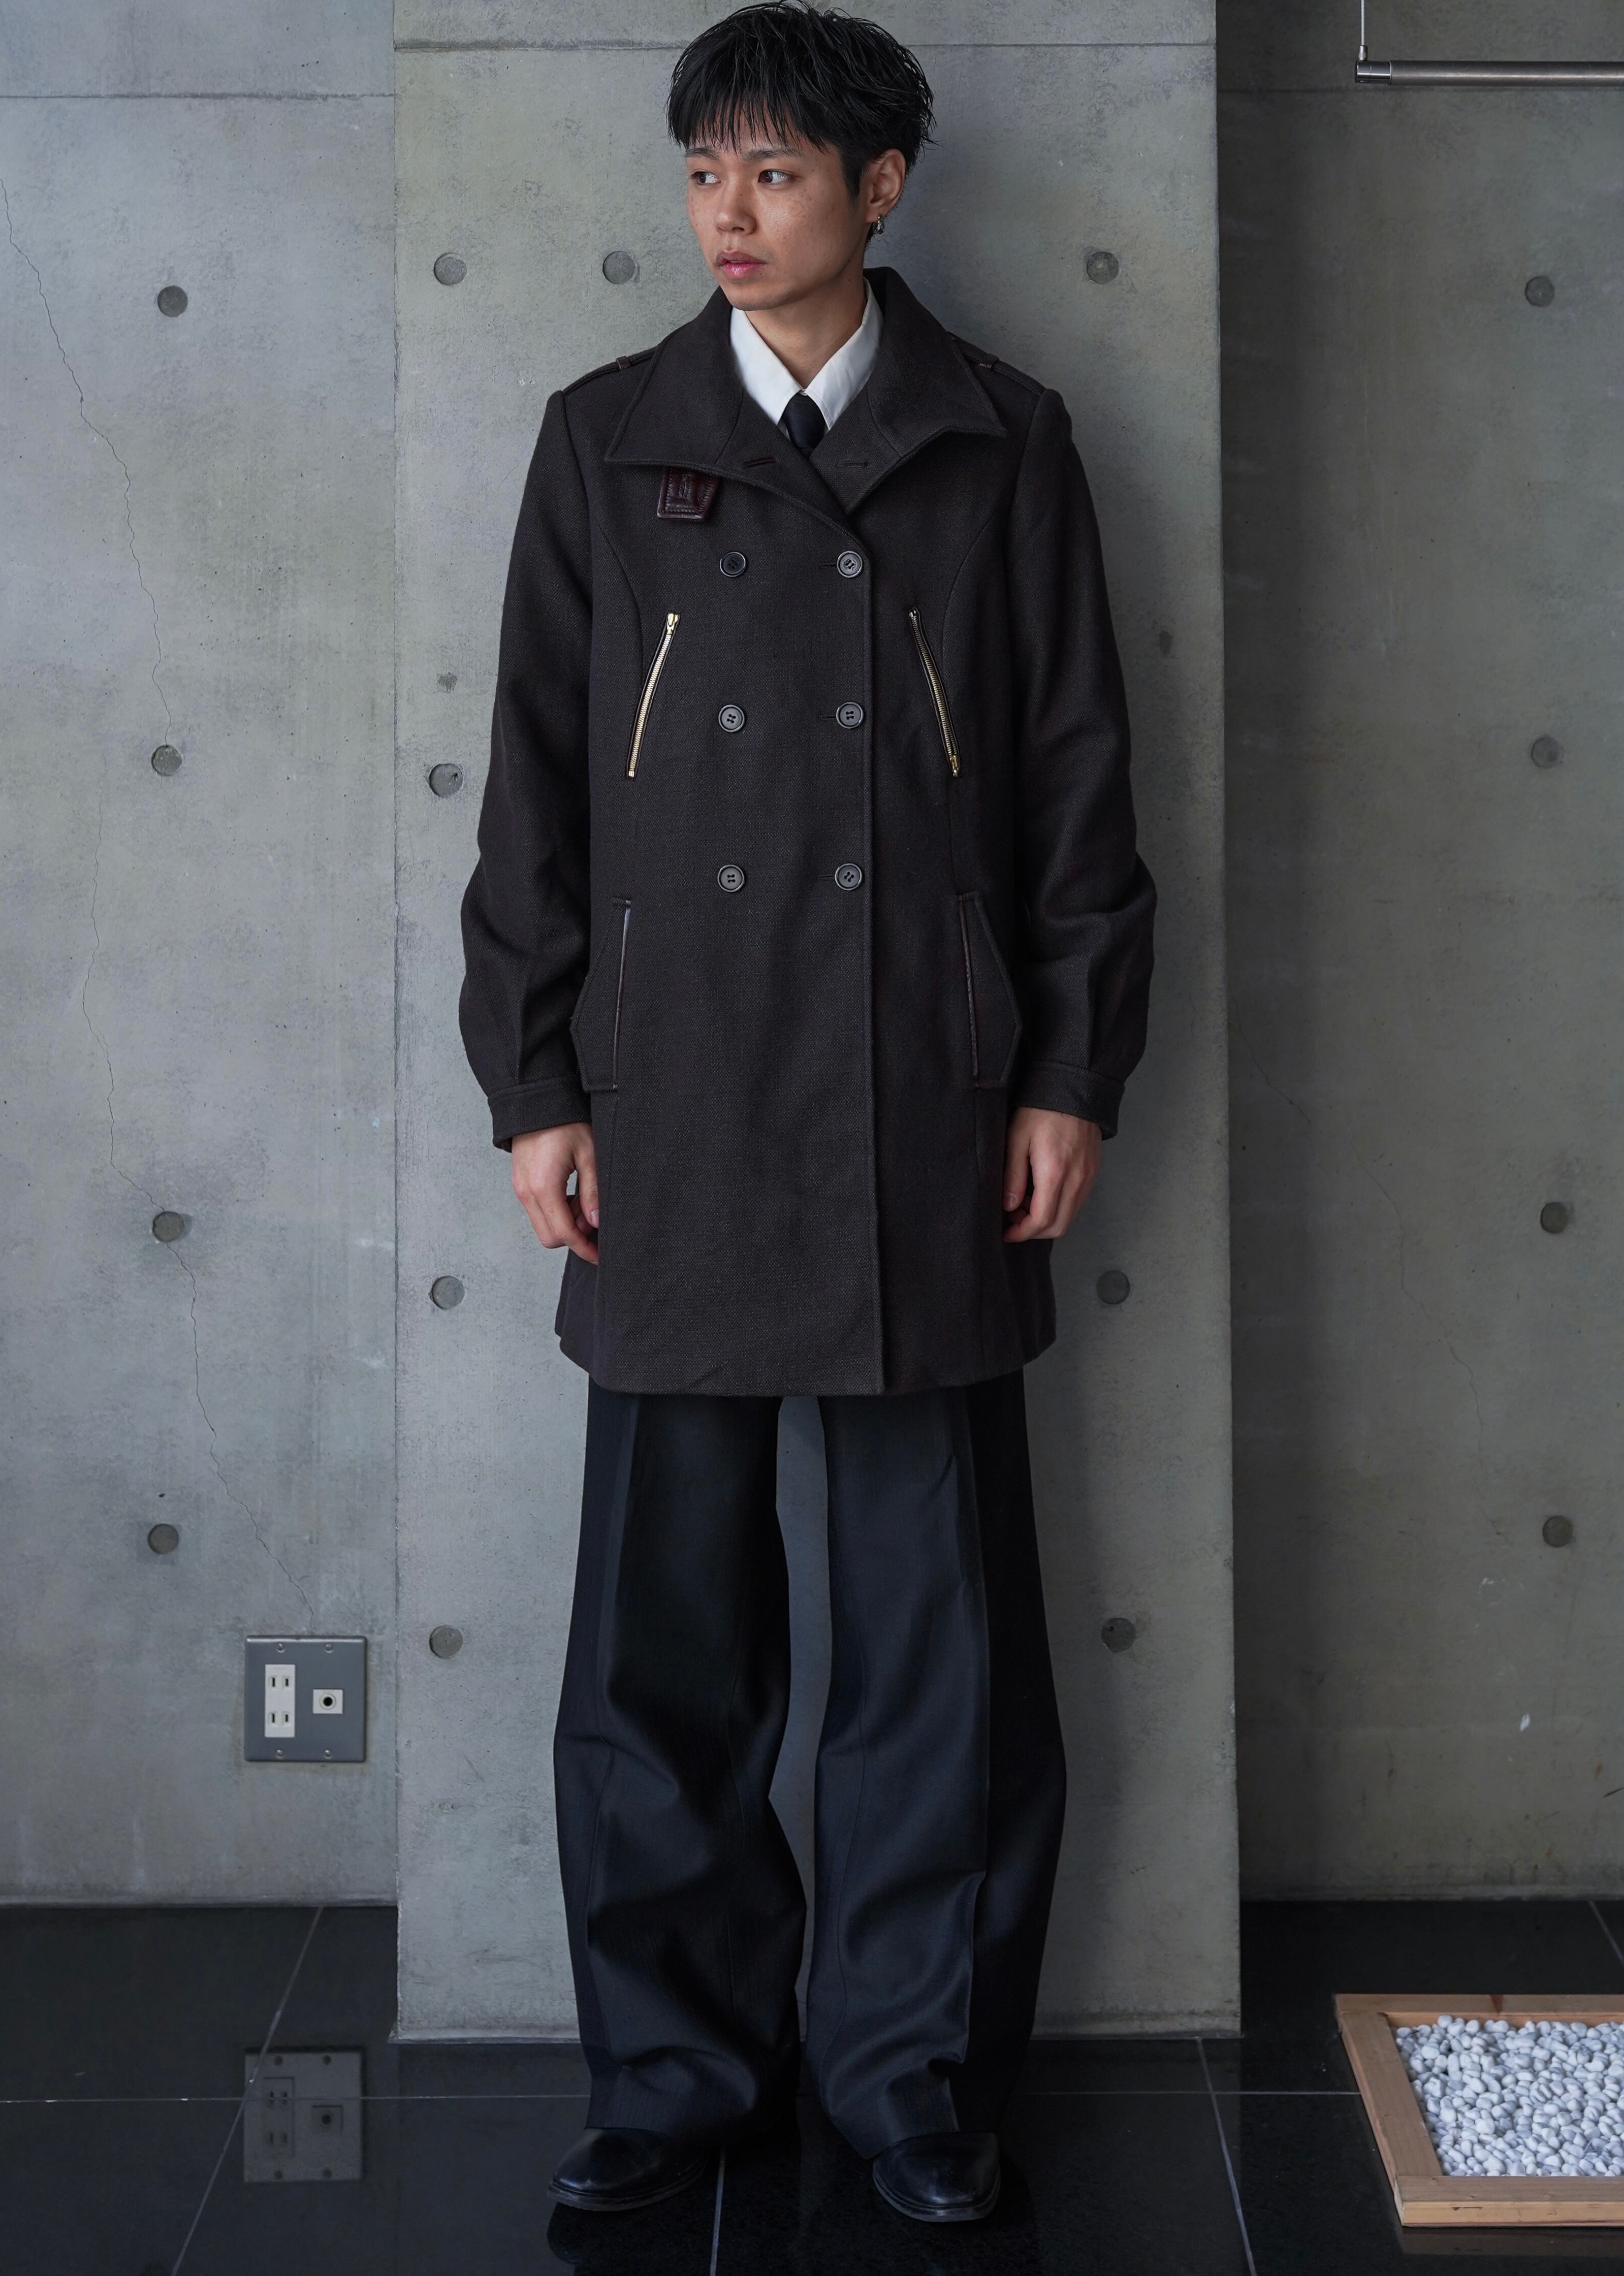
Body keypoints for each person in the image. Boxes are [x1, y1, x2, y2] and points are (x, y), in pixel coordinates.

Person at [459, 0, 1156, 2228]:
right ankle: (669, 2074)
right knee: (658, 1648)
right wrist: (536, 1080)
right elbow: (533, 795)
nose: (729, 216)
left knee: (938, 1650)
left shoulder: (1003, 437)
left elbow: (1075, 778)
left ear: (877, 186)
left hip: (926, 1101)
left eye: (772, 172)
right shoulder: (603, 439)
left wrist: (1067, 1063)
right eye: (704, 173)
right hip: (671, 1100)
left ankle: (911, 2078)